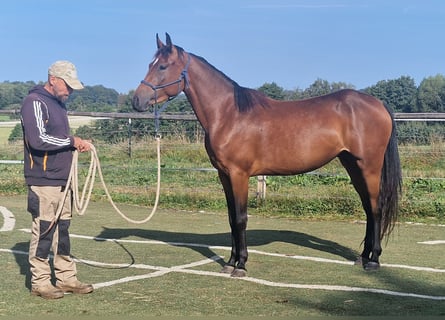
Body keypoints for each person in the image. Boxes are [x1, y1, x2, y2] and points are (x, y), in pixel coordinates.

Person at [20, 60, 94, 299]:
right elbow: (38, 139)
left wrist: (73, 144)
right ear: (53, 79)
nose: (70, 91)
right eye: (67, 86)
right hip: (43, 179)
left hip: (62, 178)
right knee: (44, 230)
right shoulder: (34, 103)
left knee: (62, 230)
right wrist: (72, 141)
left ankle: (66, 278)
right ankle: (40, 282)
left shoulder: (58, 104)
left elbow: (57, 139)